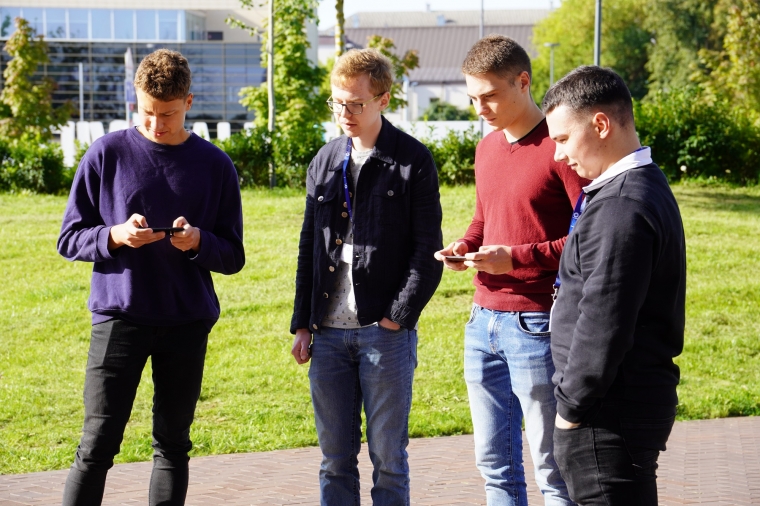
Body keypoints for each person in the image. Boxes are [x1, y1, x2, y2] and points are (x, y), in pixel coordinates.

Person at [57, 49, 245, 505]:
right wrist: (115, 235)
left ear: (188, 103)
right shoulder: (106, 153)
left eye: (168, 114)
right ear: (135, 101)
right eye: (146, 112)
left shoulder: (215, 165)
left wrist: (198, 241)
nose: (156, 124)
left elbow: (233, 255)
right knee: (97, 445)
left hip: (186, 321)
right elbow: (69, 238)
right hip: (119, 319)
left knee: (173, 445)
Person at [290, 48, 443, 506]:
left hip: (384, 332)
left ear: (383, 99)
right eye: (337, 103)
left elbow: (427, 253)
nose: (344, 113)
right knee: (334, 460)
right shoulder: (324, 160)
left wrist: (397, 317)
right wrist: (302, 323)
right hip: (327, 335)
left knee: (388, 458)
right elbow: (309, 248)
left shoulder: (412, 160)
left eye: (356, 103)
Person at [434, 35, 583, 505]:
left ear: (523, 81)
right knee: (494, 466)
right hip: (482, 321)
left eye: (490, 96)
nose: (480, 108)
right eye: (472, 98)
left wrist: (515, 258)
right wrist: (465, 246)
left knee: (551, 468)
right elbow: (484, 218)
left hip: (538, 322)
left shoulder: (562, 148)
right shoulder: (487, 148)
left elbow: (586, 241)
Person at [543, 65, 686, 505]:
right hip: (614, 406)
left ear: (601, 124)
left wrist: (570, 409)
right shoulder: (637, 187)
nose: (558, 155)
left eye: (563, 139)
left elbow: (605, 322)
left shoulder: (622, 205)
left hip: (607, 413)